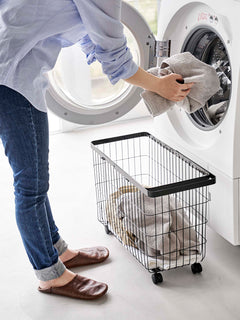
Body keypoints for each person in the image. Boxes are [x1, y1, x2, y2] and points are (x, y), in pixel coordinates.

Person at [0, 0, 193, 300]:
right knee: (30, 186)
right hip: (9, 75)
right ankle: (50, 276)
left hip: (18, 66)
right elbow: (114, 54)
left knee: (35, 180)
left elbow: (92, 35)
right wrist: (158, 85)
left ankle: (57, 251)